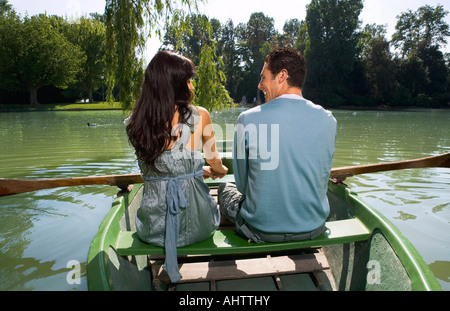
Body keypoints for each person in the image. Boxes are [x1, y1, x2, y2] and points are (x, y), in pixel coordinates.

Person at [126, 50, 228, 283]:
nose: (192, 87)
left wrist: (192, 170)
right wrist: (220, 171)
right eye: (188, 81)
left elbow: (164, 165)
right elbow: (215, 161)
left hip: (153, 230)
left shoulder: (135, 123)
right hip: (199, 226)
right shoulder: (199, 115)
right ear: (175, 85)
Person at [218, 47, 337, 243]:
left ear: (282, 76)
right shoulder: (328, 120)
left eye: (263, 78)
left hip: (261, 230)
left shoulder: (247, 119)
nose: (259, 85)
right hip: (314, 228)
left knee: (224, 188)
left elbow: (242, 185)